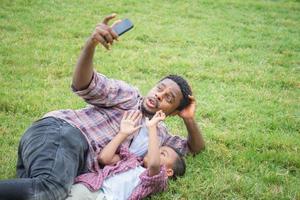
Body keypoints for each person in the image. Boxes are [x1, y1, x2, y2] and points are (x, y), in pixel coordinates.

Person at [0, 13, 205, 200]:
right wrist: (91, 44)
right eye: (159, 88)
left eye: (169, 98)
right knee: (49, 189)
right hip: (66, 133)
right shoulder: (129, 96)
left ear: (175, 111)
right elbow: (84, 84)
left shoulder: (160, 136)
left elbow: (195, 149)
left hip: (74, 163)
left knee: (40, 194)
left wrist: (188, 118)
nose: (159, 95)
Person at [67, 110, 186, 200]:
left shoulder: (157, 181)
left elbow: (154, 164)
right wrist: (122, 133)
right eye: (156, 149)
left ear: (168, 171)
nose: (153, 151)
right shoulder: (132, 160)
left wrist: (152, 127)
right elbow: (104, 158)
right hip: (87, 188)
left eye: (162, 153)